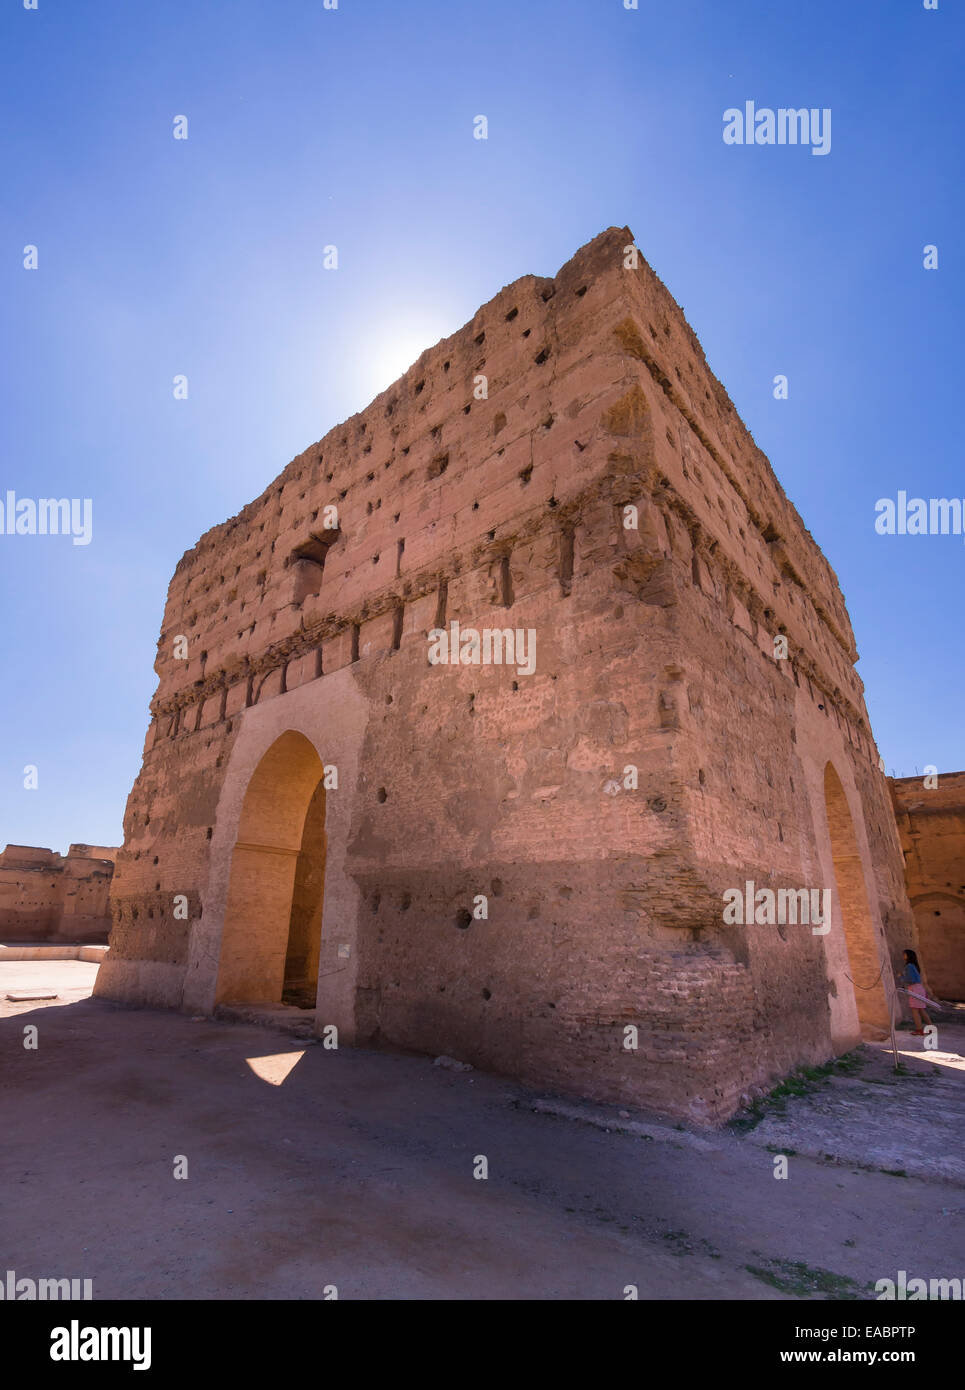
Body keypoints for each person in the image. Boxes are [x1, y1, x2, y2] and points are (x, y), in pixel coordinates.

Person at [899, 948, 932, 1035]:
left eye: (904, 954)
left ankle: (919, 1030)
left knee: (915, 1010)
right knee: (921, 1010)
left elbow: (911, 979)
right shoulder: (914, 965)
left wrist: (901, 976)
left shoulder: (909, 966)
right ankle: (930, 1028)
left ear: (908, 956)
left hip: (914, 989)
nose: (903, 956)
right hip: (919, 988)